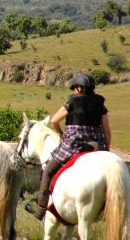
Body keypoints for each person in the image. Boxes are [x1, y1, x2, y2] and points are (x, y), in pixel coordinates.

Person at [25, 73, 110, 220]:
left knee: (48, 171)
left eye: (74, 88)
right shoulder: (100, 104)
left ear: (79, 88)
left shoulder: (72, 101)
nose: (74, 91)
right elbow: (107, 132)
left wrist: (62, 134)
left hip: (74, 144)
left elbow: (54, 121)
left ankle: (40, 208)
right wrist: (106, 150)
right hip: (96, 145)